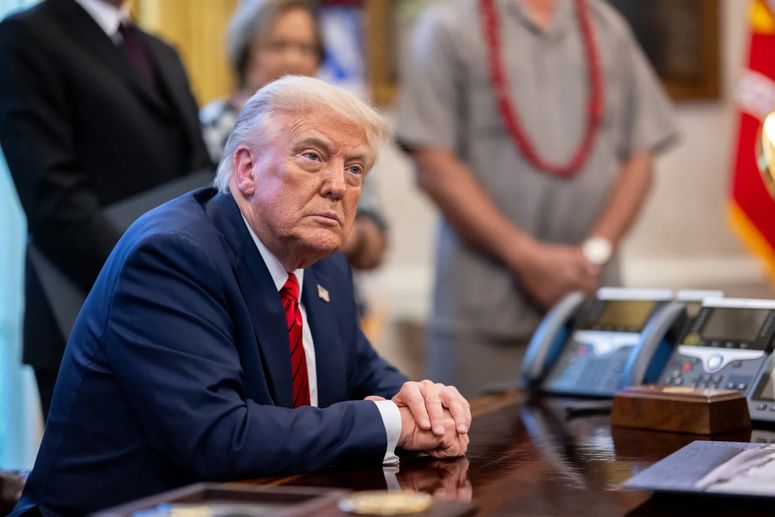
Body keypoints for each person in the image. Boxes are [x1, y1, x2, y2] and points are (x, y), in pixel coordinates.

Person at [11, 76, 471, 516]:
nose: (338, 186)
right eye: (313, 156)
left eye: (354, 169)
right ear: (247, 169)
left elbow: (360, 368)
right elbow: (218, 436)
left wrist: (427, 406)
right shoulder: (172, 256)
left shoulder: (323, 261)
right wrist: (389, 423)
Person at [396, 0, 678, 396]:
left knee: (600, 453)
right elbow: (433, 165)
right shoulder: (447, 27)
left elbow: (641, 156)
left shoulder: (606, 25)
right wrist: (525, 257)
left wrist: (593, 255)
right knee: (475, 449)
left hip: (591, 303)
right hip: (484, 316)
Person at [0, 0, 212, 418]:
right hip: (85, 316)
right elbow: (54, 200)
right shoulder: (27, 36)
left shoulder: (162, 51)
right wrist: (159, 277)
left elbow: (200, 174)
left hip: (179, 323)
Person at [200, 0, 387, 277]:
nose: (293, 59)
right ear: (246, 53)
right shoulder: (213, 126)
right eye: (278, 46)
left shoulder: (343, 133)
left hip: (329, 290)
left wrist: (320, 230)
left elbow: (375, 246)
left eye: (305, 48)